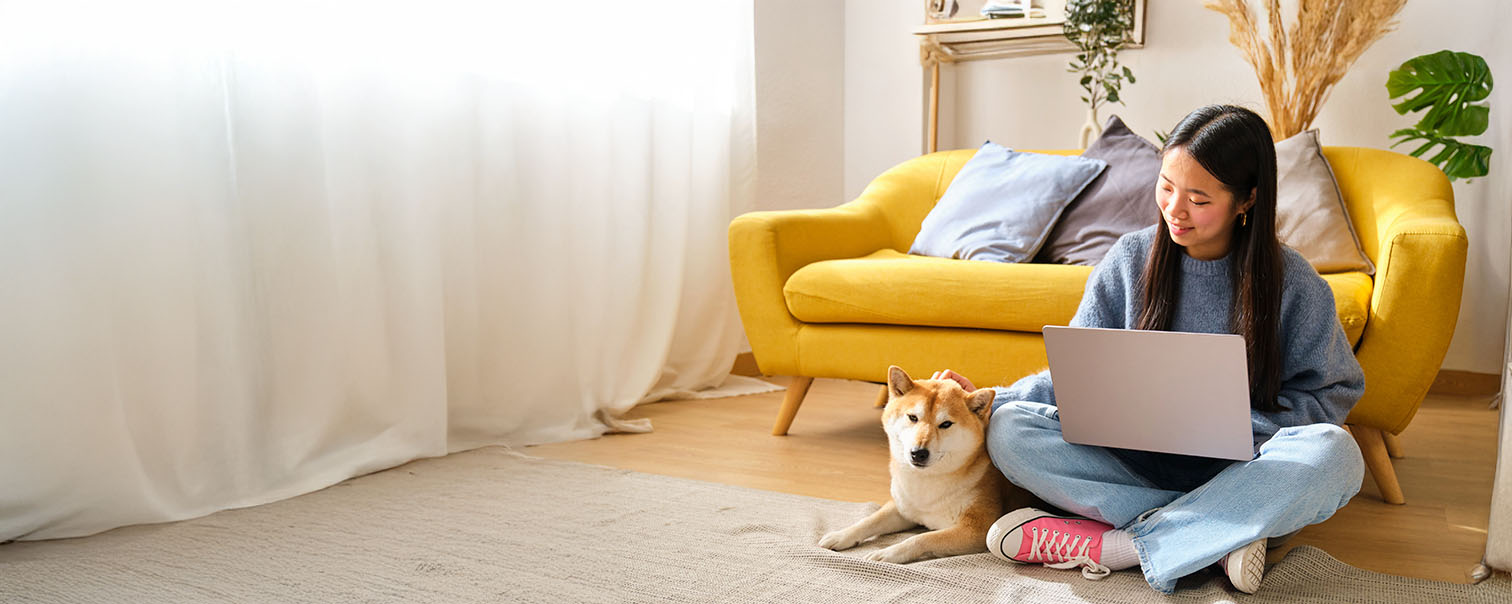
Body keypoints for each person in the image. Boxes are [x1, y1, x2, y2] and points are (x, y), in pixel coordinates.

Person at [931, 104, 1365, 594]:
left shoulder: (1294, 283)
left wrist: (1241, 428)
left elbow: (1328, 397)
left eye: (1199, 199)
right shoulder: (1129, 259)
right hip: (1130, 461)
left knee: (1337, 455)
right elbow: (1076, 378)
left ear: (1247, 200)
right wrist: (990, 401)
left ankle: (1117, 546)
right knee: (1011, 430)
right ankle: (1217, 538)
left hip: (1242, 468)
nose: (1174, 210)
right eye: (1166, 186)